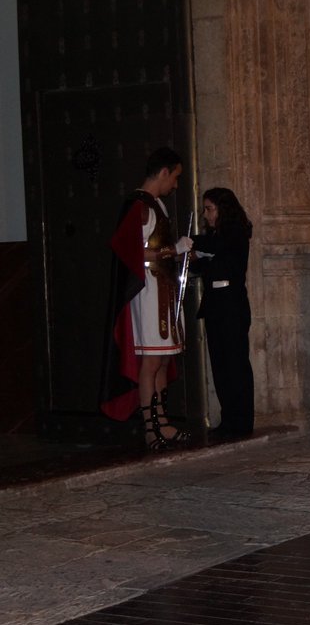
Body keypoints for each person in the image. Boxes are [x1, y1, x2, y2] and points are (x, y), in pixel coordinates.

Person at [100, 146, 194, 450]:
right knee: (151, 361)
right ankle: (150, 429)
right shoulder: (138, 205)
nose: (176, 185)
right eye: (175, 177)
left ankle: (162, 423)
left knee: (163, 361)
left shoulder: (156, 205)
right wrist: (173, 250)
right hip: (149, 292)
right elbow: (131, 253)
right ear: (164, 172)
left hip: (163, 290)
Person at [194, 187, 255, 438]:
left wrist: (195, 244)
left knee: (235, 364)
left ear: (222, 209)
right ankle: (228, 419)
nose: (206, 214)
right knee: (220, 364)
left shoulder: (235, 232)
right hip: (216, 304)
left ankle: (241, 422)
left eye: (210, 209)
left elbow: (218, 248)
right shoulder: (217, 236)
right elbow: (205, 260)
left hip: (231, 305)